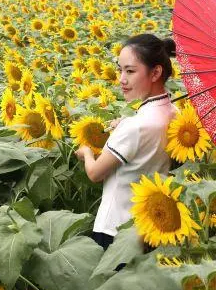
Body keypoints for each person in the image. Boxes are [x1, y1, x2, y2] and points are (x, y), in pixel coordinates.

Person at [75, 33, 179, 251]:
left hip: (115, 230)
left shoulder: (134, 127)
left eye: (130, 71)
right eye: (120, 69)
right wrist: (125, 123)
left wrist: (86, 152)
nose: (121, 79)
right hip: (150, 228)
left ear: (156, 72)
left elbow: (95, 173)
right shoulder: (175, 114)